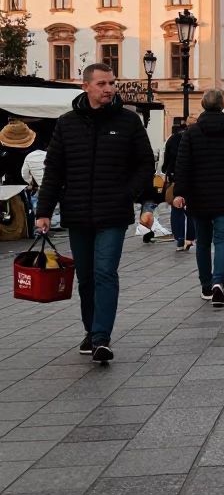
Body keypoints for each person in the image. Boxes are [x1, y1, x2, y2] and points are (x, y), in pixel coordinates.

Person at [35, 64, 155, 362]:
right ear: (85, 86)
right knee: (85, 277)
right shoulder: (66, 124)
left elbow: (145, 163)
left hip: (113, 212)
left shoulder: (128, 121)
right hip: (77, 213)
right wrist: (44, 211)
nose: (109, 88)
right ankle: (91, 331)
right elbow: (54, 172)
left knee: (105, 273)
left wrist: (127, 192)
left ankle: (102, 336)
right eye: (102, 83)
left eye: (112, 83)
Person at [172, 90, 224, 307]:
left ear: (202, 105)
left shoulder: (191, 134)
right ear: (223, 105)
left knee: (202, 242)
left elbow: (182, 166)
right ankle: (219, 281)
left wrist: (179, 193)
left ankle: (206, 286)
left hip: (198, 195)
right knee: (222, 240)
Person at [162, 119, 196, 251]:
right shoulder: (197, 137)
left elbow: (166, 159)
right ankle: (190, 238)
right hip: (193, 178)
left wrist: (167, 171)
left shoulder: (173, 138)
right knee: (192, 209)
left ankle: (179, 237)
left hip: (176, 177)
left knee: (177, 208)